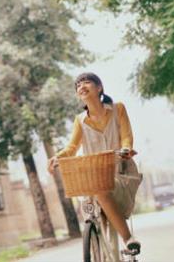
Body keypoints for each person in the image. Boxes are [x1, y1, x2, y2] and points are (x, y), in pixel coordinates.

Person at [47, 72, 142, 253]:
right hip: (95, 175)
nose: (81, 86)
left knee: (101, 192)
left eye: (86, 82)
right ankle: (107, 252)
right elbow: (72, 147)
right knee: (96, 198)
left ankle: (128, 238)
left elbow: (127, 137)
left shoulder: (118, 109)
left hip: (120, 172)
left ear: (99, 88)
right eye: (78, 85)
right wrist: (58, 157)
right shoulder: (80, 121)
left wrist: (126, 150)